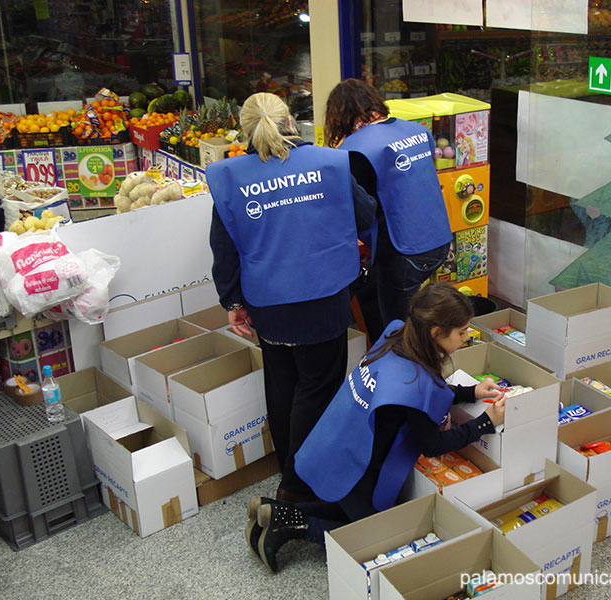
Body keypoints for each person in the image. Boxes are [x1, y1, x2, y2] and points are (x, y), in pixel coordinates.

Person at [245, 282, 506, 572]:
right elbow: (433, 444)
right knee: (381, 538)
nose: (466, 337)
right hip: (358, 471)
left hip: (336, 449)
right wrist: (485, 422)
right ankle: (295, 526)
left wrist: (470, 393)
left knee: (349, 510)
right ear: (435, 333)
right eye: (461, 332)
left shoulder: (396, 335)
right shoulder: (412, 384)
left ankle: (273, 511)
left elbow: (434, 388)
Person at [206, 92, 376, 503]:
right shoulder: (330, 162)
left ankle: (289, 470)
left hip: (268, 303)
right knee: (318, 388)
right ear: (290, 122)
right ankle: (298, 489)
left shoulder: (229, 177)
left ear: (244, 129)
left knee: (282, 385)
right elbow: (367, 214)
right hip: (323, 298)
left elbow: (224, 247)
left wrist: (232, 303)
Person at [325, 79, 453, 343]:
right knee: (374, 293)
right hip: (438, 240)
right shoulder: (417, 130)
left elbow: (360, 207)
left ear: (340, 114)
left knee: (397, 332)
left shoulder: (357, 149)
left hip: (405, 250)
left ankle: (404, 371)